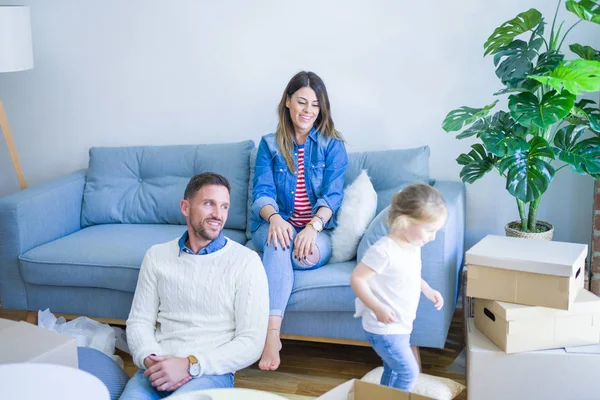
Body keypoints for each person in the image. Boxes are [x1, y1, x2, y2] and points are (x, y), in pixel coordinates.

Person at [120, 173, 269, 399]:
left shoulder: (247, 262)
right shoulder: (157, 256)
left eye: (224, 206)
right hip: (157, 365)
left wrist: (191, 364)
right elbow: (139, 321)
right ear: (185, 207)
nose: (218, 215)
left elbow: (251, 342)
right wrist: (150, 359)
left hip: (209, 372)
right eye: (209, 204)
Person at [251, 71, 348, 371]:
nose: (308, 111)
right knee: (279, 242)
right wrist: (277, 220)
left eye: (315, 104)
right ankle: (272, 337)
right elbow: (262, 193)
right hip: (274, 225)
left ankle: (273, 264)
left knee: (300, 254)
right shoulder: (269, 145)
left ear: (322, 109)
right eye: (302, 102)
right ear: (288, 102)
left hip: (316, 230)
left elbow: (333, 196)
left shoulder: (333, 146)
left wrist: (312, 227)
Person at [350, 182, 447, 392]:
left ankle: (383, 396)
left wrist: (427, 289)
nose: (433, 237)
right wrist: (377, 307)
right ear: (404, 222)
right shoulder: (384, 251)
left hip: (401, 325)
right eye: (430, 230)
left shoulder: (412, 246)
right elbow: (357, 279)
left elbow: (410, 275)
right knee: (408, 372)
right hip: (383, 328)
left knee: (393, 370)